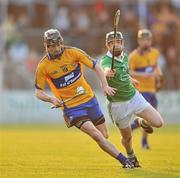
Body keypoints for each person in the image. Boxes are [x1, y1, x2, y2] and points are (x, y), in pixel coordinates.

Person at [34, 29, 134, 168]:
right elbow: (38, 92)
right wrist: (51, 99)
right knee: (96, 135)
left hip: (89, 99)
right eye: (51, 46)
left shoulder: (74, 53)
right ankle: (125, 161)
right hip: (72, 108)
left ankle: (132, 130)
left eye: (57, 45)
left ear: (61, 43)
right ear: (46, 46)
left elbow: (97, 67)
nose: (55, 49)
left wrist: (104, 85)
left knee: (104, 135)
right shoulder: (43, 66)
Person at [100, 31, 164, 167]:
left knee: (158, 122)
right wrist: (107, 73)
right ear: (107, 45)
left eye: (118, 42)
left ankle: (140, 121)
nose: (115, 45)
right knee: (127, 137)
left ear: (122, 43)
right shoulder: (105, 61)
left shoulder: (125, 57)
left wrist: (131, 79)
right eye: (111, 43)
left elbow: (124, 71)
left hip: (134, 97)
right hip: (118, 105)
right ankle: (131, 156)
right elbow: (104, 71)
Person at [129, 29, 164, 149]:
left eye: (148, 40)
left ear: (151, 40)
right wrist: (145, 75)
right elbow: (129, 72)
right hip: (141, 90)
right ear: (139, 41)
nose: (145, 42)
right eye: (143, 40)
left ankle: (142, 138)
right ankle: (134, 129)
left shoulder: (155, 53)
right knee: (148, 117)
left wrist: (160, 76)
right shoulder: (133, 56)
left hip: (152, 90)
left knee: (152, 119)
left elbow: (155, 67)